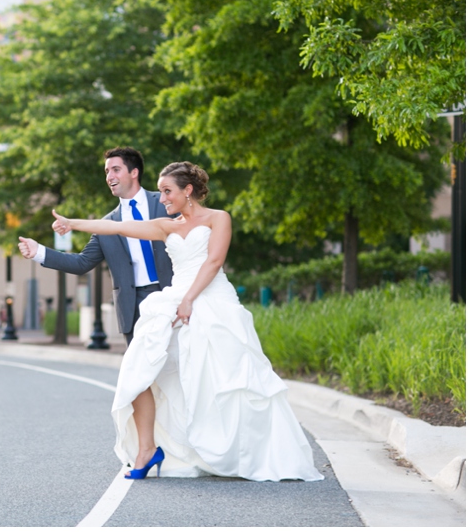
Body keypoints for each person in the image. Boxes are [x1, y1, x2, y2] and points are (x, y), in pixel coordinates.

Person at [48, 161, 323, 482]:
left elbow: (215, 260)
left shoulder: (219, 218)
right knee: (138, 366)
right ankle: (149, 448)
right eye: (161, 191)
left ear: (188, 191)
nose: (162, 198)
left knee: (223, 377)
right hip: (174, 300)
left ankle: (239, 451)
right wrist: (72, 223)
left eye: (167, 191)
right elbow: (116, 228)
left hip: (213, 300)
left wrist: (190, 299)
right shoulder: (167, 226)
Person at [17, 147, 173, 344]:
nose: (109, 176)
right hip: (133, 306)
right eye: (107, 171)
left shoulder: (165, 204)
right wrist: (38, 252)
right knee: (141, 372)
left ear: (134, 172)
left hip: (172, 295)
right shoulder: (106, 224)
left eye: (115, 169)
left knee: (177, 365)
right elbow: (82, 263)